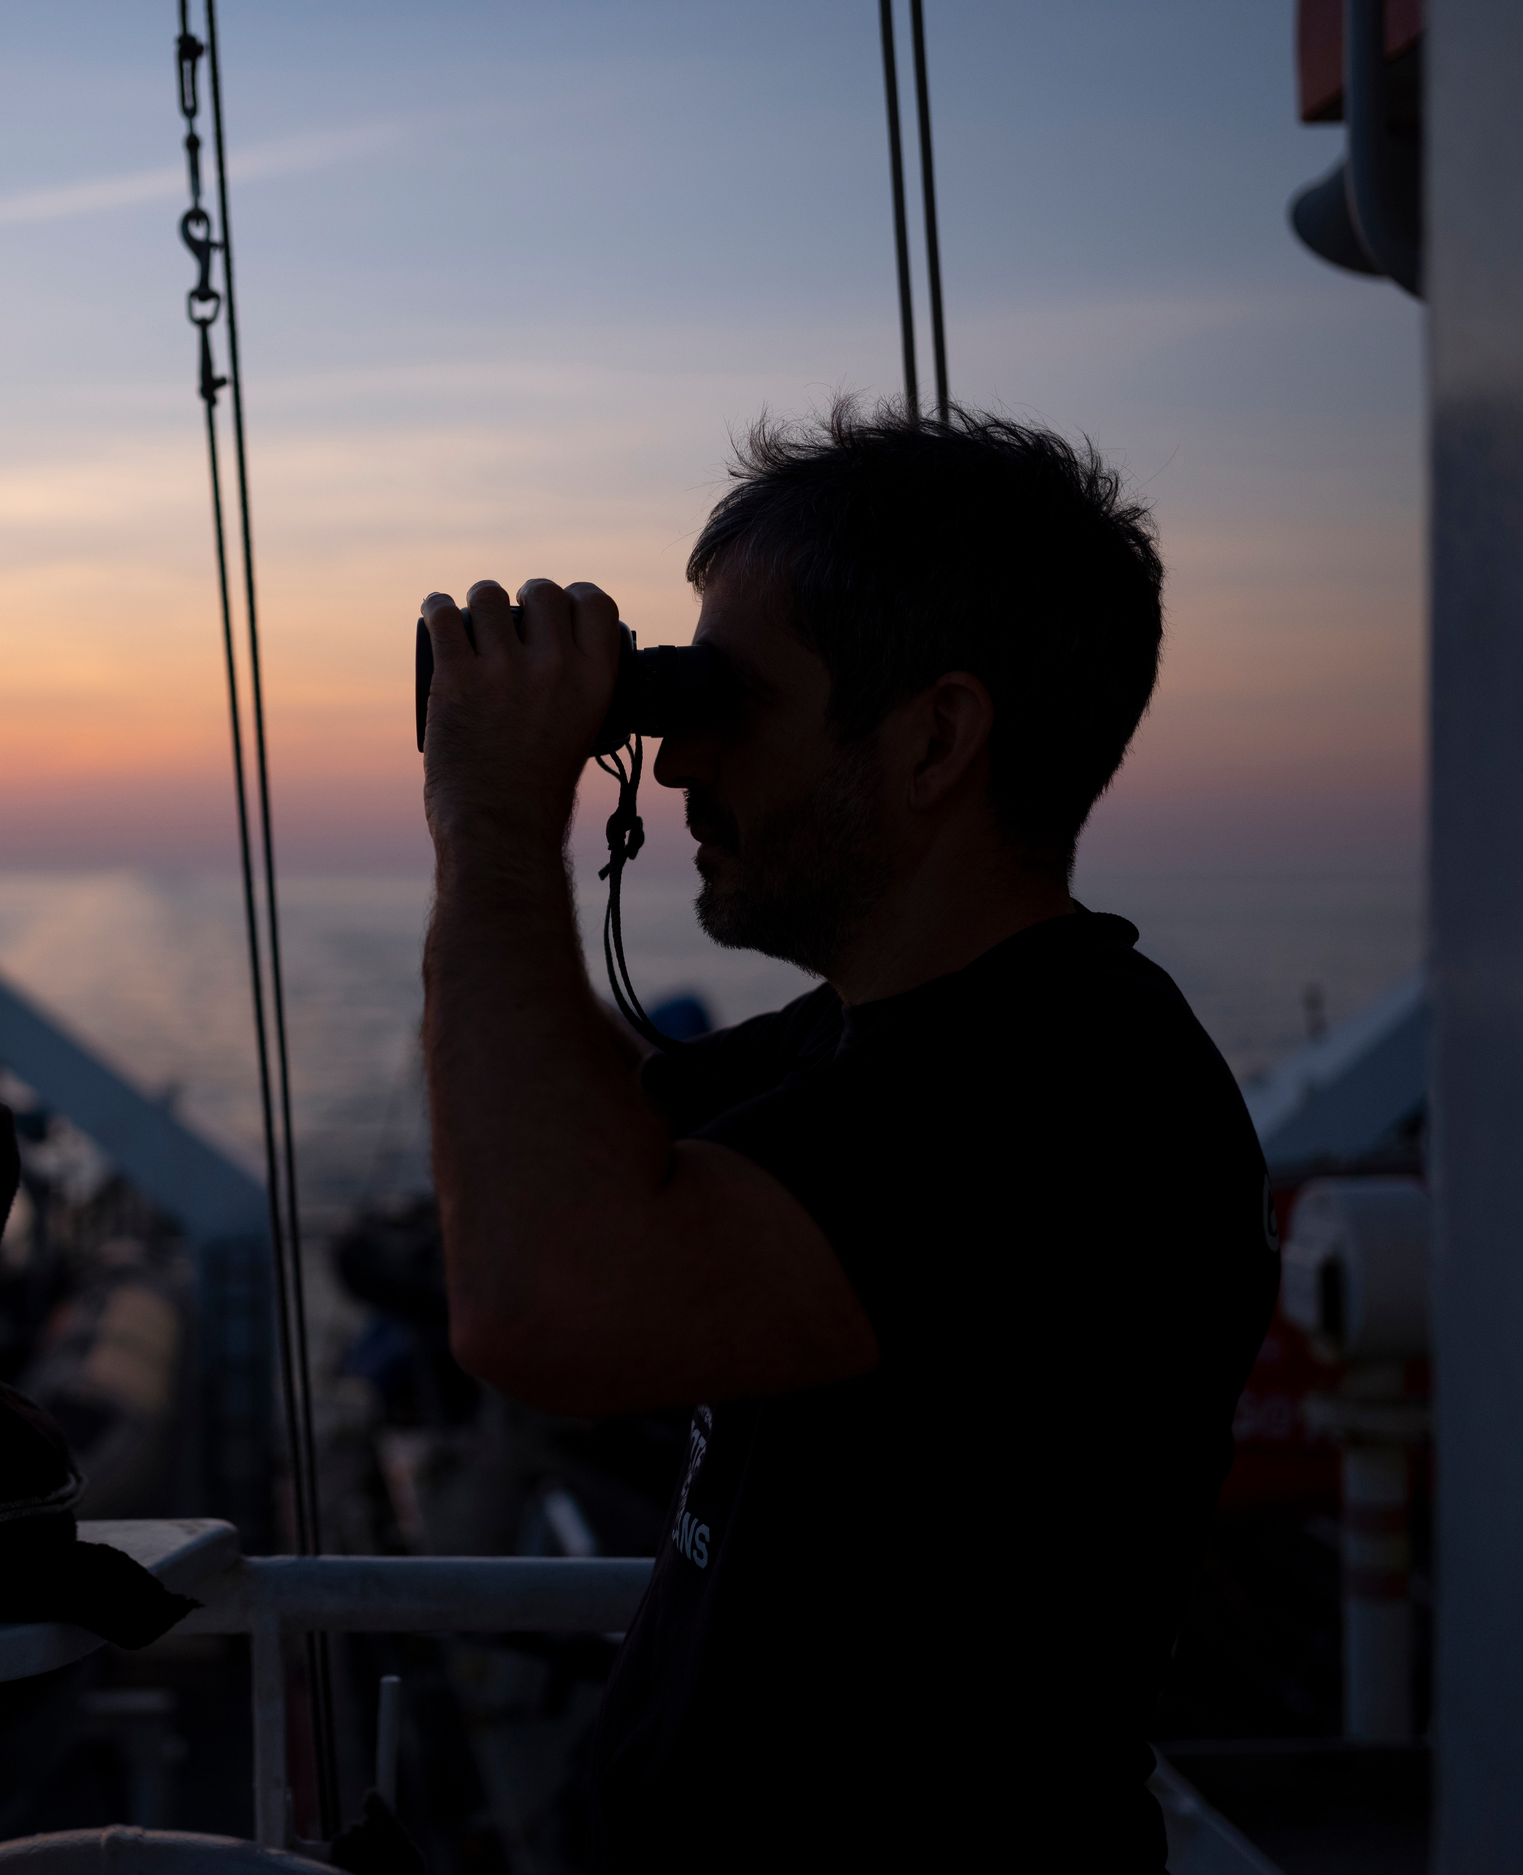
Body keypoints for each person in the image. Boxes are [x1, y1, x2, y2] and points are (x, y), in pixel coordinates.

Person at [416, 400, 1278, 1870]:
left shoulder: (1068, 1092)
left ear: (936, 737)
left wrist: (496, 831)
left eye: (723, 705)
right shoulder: (869, 1046)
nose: (678, 769)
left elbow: (538, 1297)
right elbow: (559, 1147)